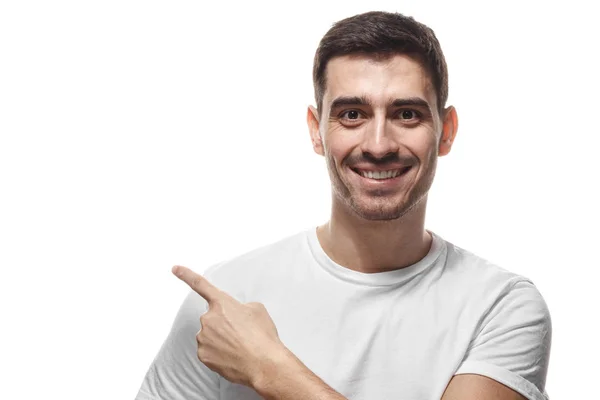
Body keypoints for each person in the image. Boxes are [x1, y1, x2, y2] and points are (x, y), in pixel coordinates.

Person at [135, 10, 551, 400]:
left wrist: (270, 369)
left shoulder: (501, 306)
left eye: (407, 114)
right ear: (317, 132)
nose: (378, 144)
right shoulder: (228, 300)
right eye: (352, 114)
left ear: (447, 132)